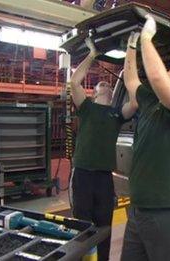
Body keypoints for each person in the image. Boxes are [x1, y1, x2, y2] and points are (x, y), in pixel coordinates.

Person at [120, 15, 170, 261]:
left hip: (166, 212)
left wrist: (147, 38)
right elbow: (131, 80)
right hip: (138, 209)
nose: (166, 71)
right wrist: (132, 47)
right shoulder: (152, 102)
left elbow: (155, 77)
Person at [69, 38, 137, 261]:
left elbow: (134, 103)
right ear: (95, 91)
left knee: (104, 227)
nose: (105, 84)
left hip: (104, 178)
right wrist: (92, 54)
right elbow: (75, 82)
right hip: (83, 174)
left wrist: (131, 60)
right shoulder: (86, 107)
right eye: (101, 84)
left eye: (108, 83)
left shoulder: (116, 114)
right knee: (82, 226)